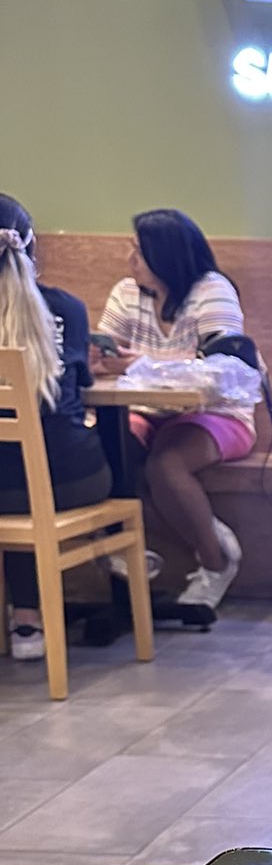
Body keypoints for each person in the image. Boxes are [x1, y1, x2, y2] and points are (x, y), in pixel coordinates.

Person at [95, 208, 249, 618]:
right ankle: (141, 550)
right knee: (107, 455)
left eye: (140, 252)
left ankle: (214, 564)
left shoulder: (212, 290)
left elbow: (222, 366)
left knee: (166, 464)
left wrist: (139, 361)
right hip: (143, 407)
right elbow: (105, 350)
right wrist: (99, 356)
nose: (131, 261)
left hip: (220, 410)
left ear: (167, 256)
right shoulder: (127, 293)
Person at [0, 194, 113, 661]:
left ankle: (26, 620)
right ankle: (117, 576)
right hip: (75, 480)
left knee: (12, 477)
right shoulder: (67, 307)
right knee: (36, 467)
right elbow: (79, 382)